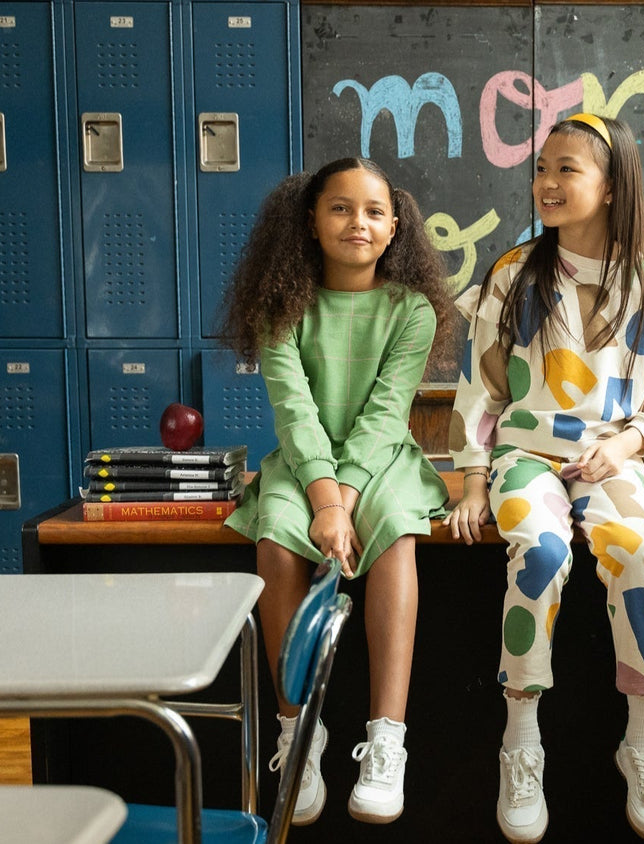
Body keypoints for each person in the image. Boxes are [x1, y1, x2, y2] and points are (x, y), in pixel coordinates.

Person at [444, 113, 644, 843]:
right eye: (541, 169)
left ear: (612, 186)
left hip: (609, 458)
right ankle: (521, 737)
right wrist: (472, 478)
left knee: (631, 551)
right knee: (543, 552)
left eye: (568, 170)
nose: (547, 183)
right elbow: (479, 391)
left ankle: (643, 737)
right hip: (525, 455)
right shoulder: (513, 274)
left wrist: (626, 445)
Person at [220, 157, 454, 826]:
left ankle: (387, 739)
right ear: (311, 223)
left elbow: (385, 415)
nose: (360, 222)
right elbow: (295, 412)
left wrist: (345, 500)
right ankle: (298, 731)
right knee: (274, 540)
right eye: (341, 208)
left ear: (395, 228)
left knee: (398, 539)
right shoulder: (283, 308)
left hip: (381, 460)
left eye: (375, 211)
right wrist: (324, 500)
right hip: (303, 463)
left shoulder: (410, 310)